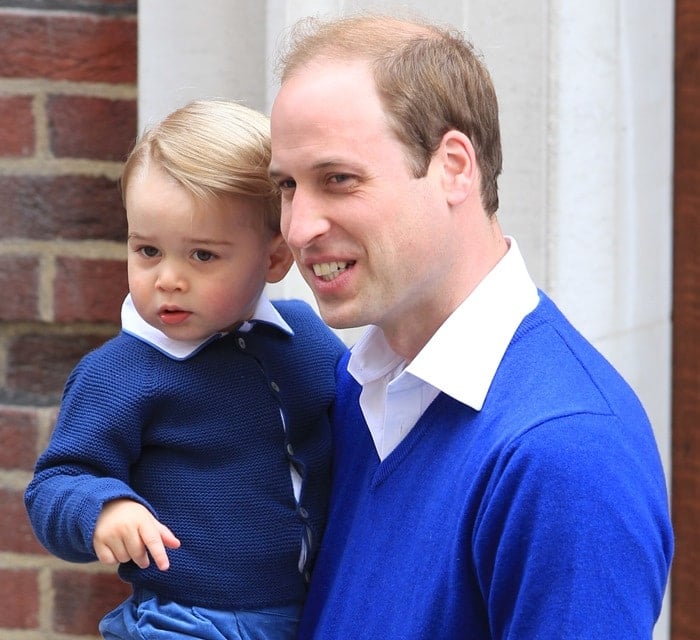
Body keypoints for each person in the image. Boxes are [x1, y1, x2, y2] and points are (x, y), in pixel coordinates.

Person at [268, 13, 674, 639]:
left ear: (455, 166)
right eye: (289, 186)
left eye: (338, 180)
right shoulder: (352, 390)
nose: (298, 228)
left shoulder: (565, 455)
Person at [24, 99, 346, 639]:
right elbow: (55, 483)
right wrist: (102, 509)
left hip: (312, 609)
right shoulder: (119, 373)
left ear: (272, 259)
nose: (168, 279)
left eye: (202, 256)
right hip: (187, 619)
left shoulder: (304, 341)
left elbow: (362, 426)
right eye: (148, 250)